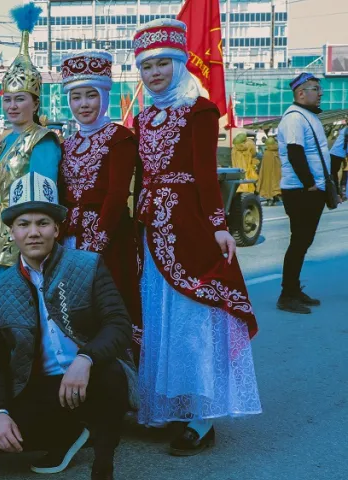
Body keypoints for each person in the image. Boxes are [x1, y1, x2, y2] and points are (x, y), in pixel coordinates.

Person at [132, 19, 261, 454]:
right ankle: (171, 407)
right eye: (146, 66)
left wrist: (219, 225)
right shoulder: (143, 117)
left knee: (192, 319)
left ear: (180, 63)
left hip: (189, 224)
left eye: (162, 63)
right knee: (161, 318)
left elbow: (206, 173)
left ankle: (203, 417)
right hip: (152, 230)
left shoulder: (200, 110)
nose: (154, 73)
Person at [0, 172, 132, 480]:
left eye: (42, 223)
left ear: (56, 229)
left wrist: (85, 358)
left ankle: (103, 461)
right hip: (42, 387)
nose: (34, 232)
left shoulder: (88, 264)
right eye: (23, 224)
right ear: (12, 232)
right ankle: (67, 434)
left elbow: (118, 324)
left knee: (112, 375)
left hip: (92, 374)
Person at [58, 50, 142, 361]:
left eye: (91, 95)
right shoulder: (67, 144)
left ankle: (123, 376)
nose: (83, 104)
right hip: (70, 239)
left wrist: (98, 242)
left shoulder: (119, 138)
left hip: (110, 240)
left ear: (105, 96)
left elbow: (117, 194)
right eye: (76, 97)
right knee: (76, 309)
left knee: (111, 304)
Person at [0, 3, 61, 276]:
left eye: (20, 99)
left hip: (27, 234)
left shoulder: (43, 139)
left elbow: (43, 195)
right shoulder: (4, 140)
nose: (12, 106)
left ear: (35, 103)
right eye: (7, 100)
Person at [276, 72, 344, 314]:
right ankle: (287, 295)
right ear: (301, 93)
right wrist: (309, 184)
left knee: (303, 242)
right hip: (300, 190)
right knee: (299, 242)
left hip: (310, 189)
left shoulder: (308, 116)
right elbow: (295, 152)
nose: (321, 93)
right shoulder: (294, 117)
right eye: (316, 88)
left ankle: (293, 290)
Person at [258, 136, 282, 205]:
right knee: (276, 183)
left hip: (267, 173)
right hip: (277, 172)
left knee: (267, 183)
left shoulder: (266, 153)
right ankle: (276, 197)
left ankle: (269, 199)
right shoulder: (277, 151)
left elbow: (264, 166)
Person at [330, 126, 348, 200]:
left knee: (333, 174)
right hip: (337, 154)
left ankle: (338, 193)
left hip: (336, 153)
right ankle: (337, 193)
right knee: (333, 174)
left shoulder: (345, 128)